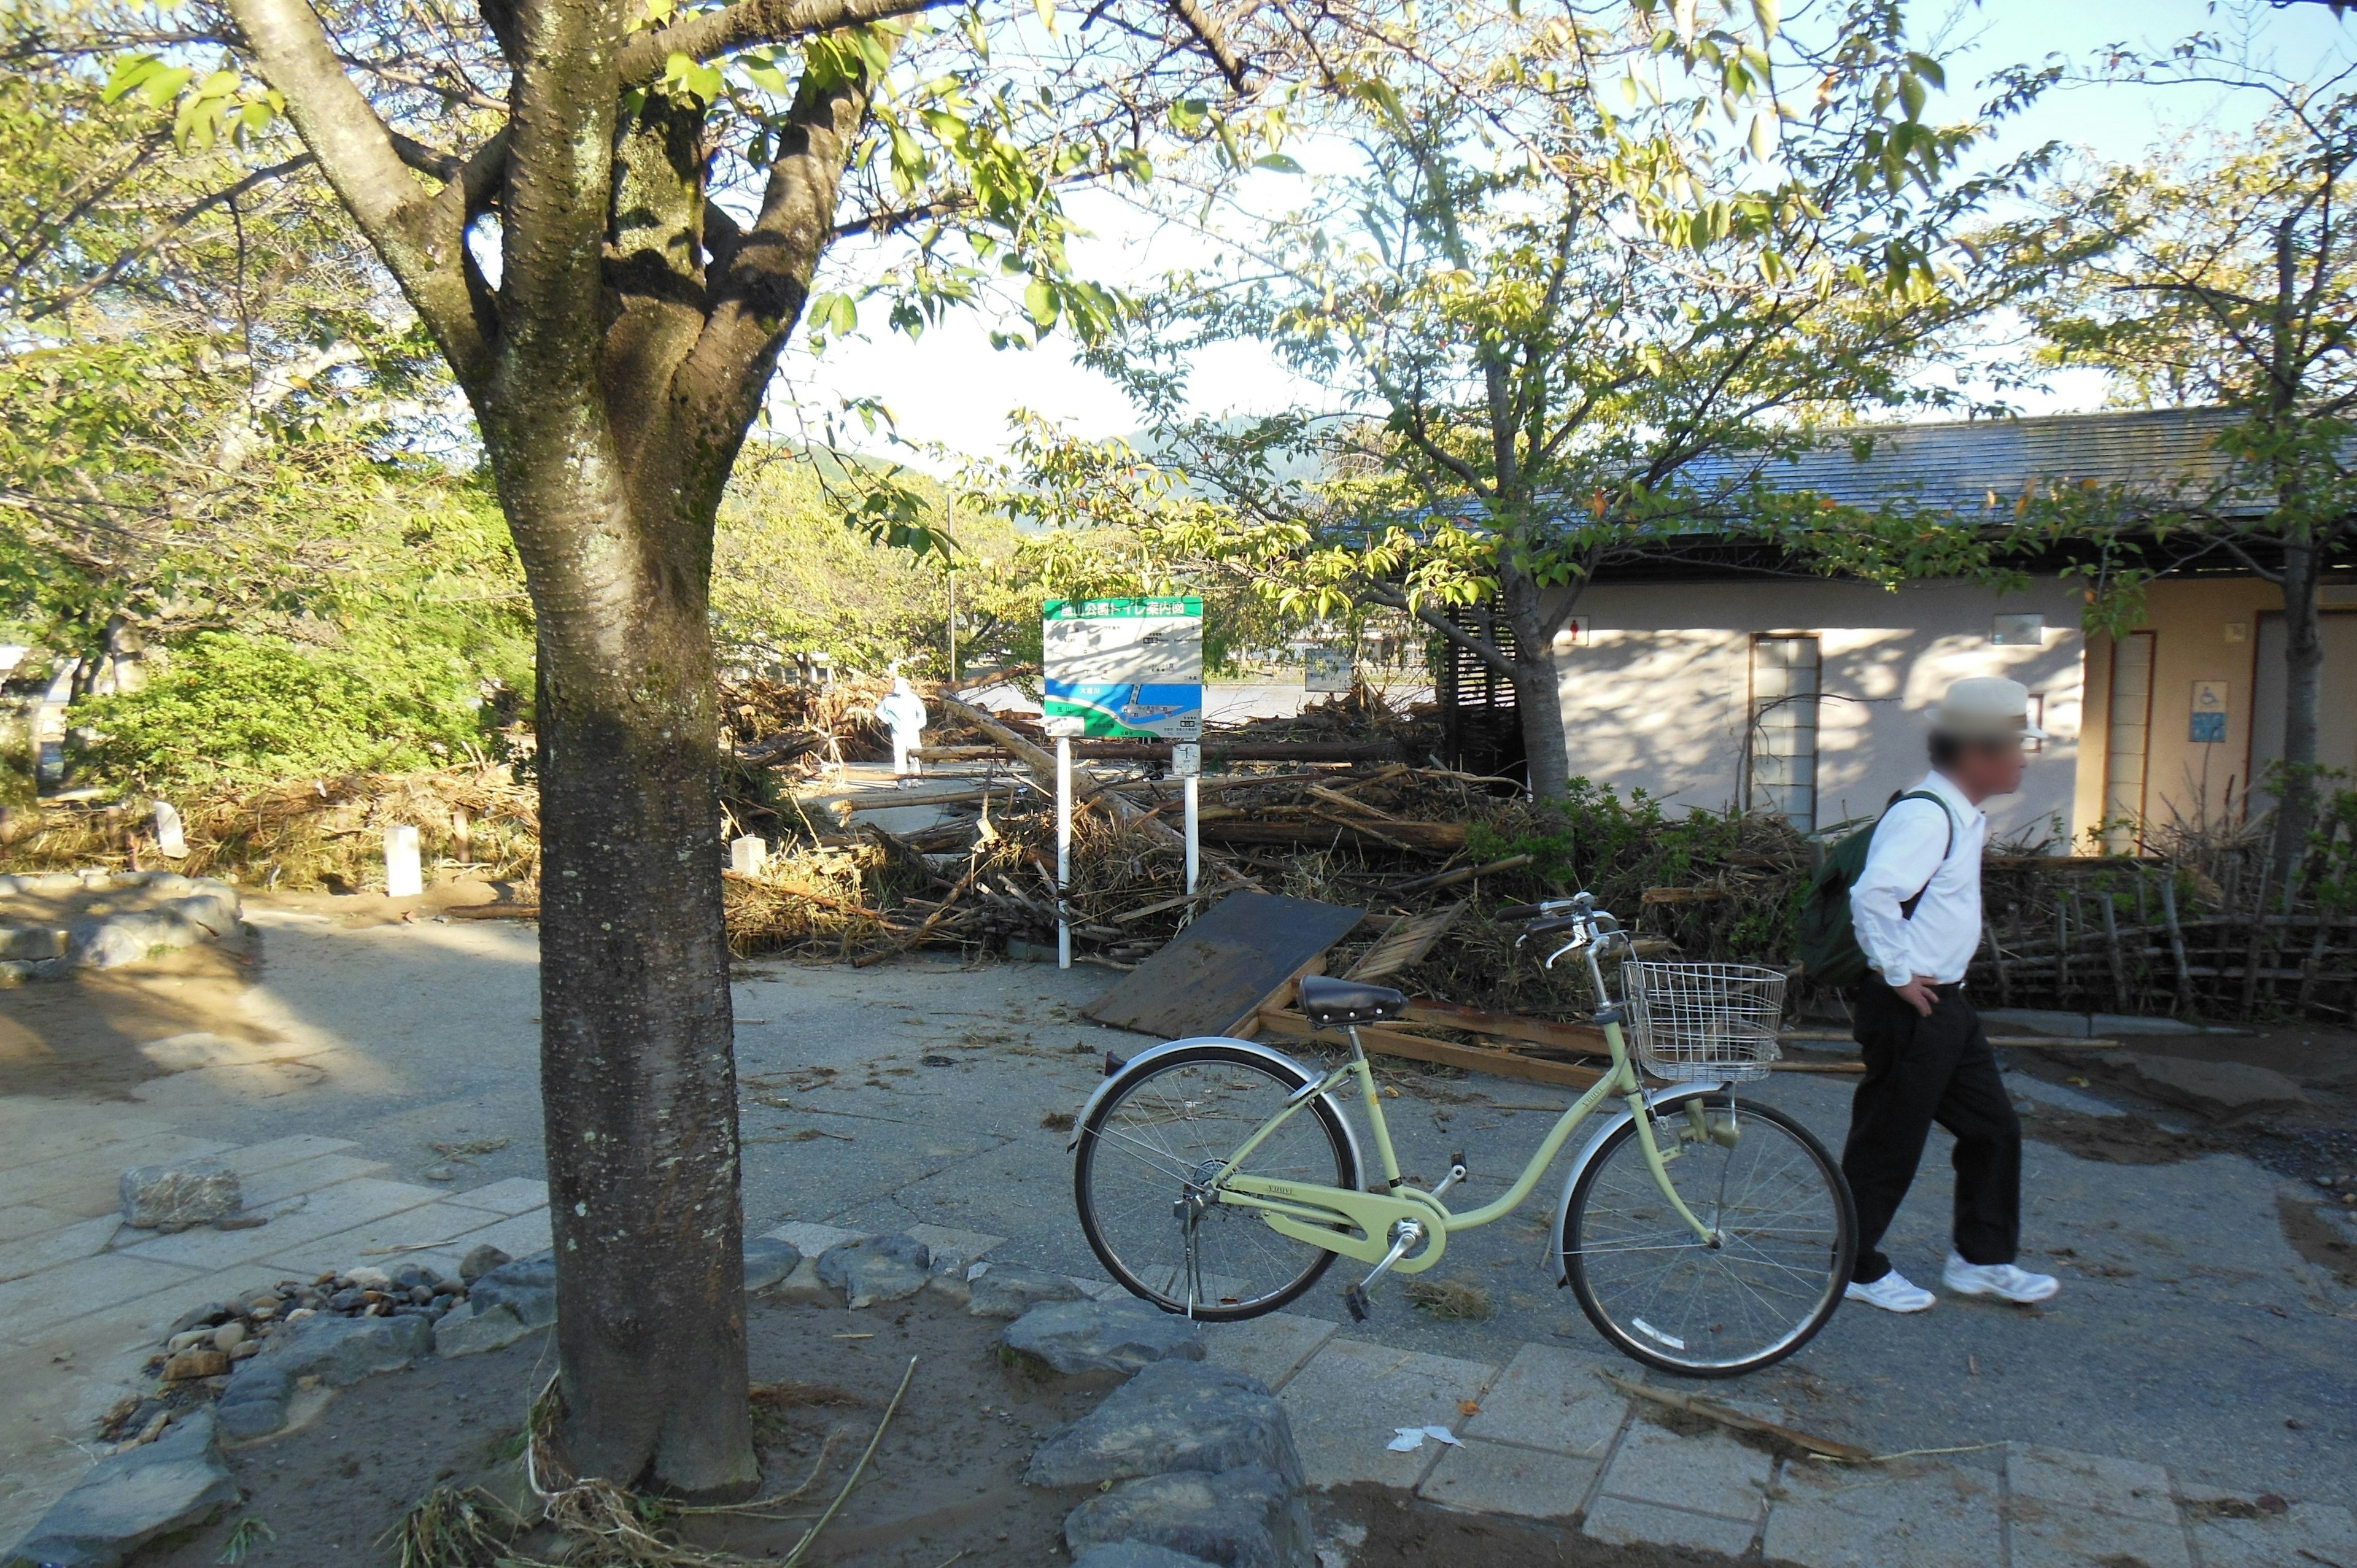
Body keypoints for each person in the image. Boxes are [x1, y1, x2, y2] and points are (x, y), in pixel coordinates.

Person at [1841, 676, 2061, 1314]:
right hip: (1915, 1003)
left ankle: (1982, 1260)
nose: (2023, 758)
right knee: (1890, 1139)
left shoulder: (1959, 814)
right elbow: (1874, 894)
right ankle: (1854, 1264)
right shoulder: (1925, 814)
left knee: (1994, 1128)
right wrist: (1900, 974)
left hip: (1947, 1005)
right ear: (1976, 754)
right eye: (2016, 747)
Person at [875, 676, 929, 782]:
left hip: (912, 732)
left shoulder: (914, 699)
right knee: (899, 758)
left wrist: (918, 725)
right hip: (898, 734)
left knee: (916, 756)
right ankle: (902, 782)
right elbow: (879, 712)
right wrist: (889, 721)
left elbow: (922, 714)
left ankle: (915, 779)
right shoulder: (889, 700)